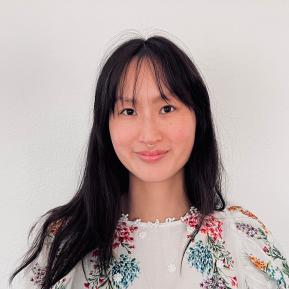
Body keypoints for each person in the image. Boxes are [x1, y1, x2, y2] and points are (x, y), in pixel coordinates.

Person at [9, 34, 289, 289]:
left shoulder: (242, 239)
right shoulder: (62, 242)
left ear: (198, 118)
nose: (149, 134)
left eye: (166, 108)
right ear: (106, 125)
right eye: (128, 111)